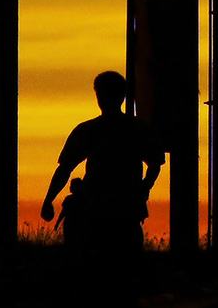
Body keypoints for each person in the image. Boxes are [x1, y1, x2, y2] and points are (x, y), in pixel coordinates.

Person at [40, 71, 163, 258]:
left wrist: (49, 200)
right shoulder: (137, 128)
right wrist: (144, 187)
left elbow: (65, 168)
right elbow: (155, 164)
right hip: (119, 208)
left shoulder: (90, 130)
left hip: (105, 210)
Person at [55, 177, 87, 249]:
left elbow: (63, 212)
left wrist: (57, 223)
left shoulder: (69, 199)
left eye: (72, 185)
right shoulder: (83, 199)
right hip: (74, 223)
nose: (70, 187)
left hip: (71, 223)